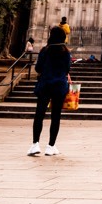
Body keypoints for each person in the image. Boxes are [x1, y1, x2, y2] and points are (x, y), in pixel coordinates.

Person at [27, 26, 71, 156]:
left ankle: (35, 144)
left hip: (45, 85)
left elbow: (38, 68)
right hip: (59, 86)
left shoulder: (44, 51)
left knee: (39, 114)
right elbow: (67, 69)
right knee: (55, 116)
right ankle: (51, 146)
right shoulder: (66, 52)